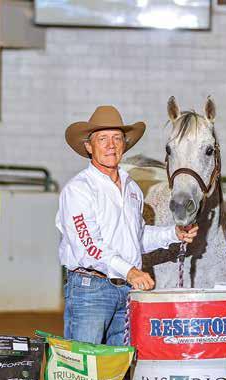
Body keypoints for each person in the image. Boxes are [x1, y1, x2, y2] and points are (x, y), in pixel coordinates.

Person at [57, 105, 198, 346]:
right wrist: (130, 271)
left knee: (120, 364)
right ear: (89, 147)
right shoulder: (78, 190)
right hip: (91, 290)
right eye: (103, 139)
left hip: (126, 290)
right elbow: (89, 247)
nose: (111, 145)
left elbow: (136, 237)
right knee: (84, 362)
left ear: (124, 144)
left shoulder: (132, 188)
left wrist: (174, 234)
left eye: (116, 138)